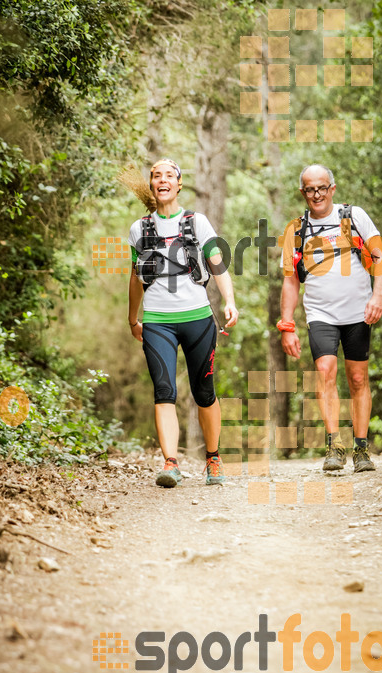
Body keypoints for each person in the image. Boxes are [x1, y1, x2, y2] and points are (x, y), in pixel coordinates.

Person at [128, 158, 238, 487]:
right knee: (164, 391)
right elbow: (135, 278)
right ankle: (171, 462)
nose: (162, 180)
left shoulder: (197, 222)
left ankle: (213, 460)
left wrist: (230, 301)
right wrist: (132, 318)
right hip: (157, 322)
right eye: (155, 175)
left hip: (198, 319)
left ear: (179, 184)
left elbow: (218, 265)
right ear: (151, 186)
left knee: (204, 393)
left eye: (168, 175)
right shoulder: (139, 229)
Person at [278, 164, 382, 473]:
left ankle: (362, 449)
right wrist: (287, 325)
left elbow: (381, 256)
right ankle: (334, 445)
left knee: (357, 379)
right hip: (320, 313)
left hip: (358, 312)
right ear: (303, 193)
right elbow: (290, 280)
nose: (317, 194)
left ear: (332, 189)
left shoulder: (353, 217)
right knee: (325, 372)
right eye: (310, 189)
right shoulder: (295, 231)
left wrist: (377, 296)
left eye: (322, 188)